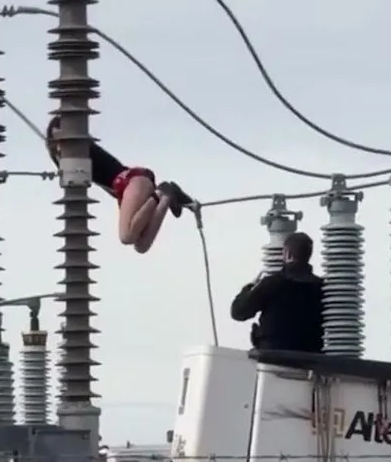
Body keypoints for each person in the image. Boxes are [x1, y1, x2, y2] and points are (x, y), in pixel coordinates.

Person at [45, 116, 194, 254]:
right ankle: (166, 197)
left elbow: (66, 136)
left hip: (130, 180)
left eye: (61, 140)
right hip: (126, 187)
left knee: (126, 236)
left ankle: (162, 193)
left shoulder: (83, 148)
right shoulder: (69, 162)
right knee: (141, 245)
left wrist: (58, 140)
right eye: (56, 142)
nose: (59, 146)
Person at [230, 231, 325, 353]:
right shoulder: (321, 288)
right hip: (311, 357)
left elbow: (238, 312)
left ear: (287, 254)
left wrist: (248, 288)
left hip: (272, 356)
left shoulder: (272, 283)